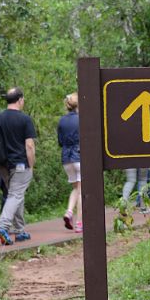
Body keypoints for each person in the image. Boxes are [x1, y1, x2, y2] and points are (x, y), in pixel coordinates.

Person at [0, 87, 38, 246]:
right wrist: (31, 165)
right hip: (20, 163)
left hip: (3, 164)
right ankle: (2, 226)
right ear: (20, 100)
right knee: (15, 195)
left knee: (15, 194)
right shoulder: (24, 119)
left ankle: (19, 230)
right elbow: (29, 145)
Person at [57, 92, 82, 232]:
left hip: (66, 158)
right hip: (79, 156)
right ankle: (79, 223)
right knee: (81, 192)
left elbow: (60, 141)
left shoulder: (62, 120)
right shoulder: (81, 119)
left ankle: (69, 212)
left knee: (75, 188)